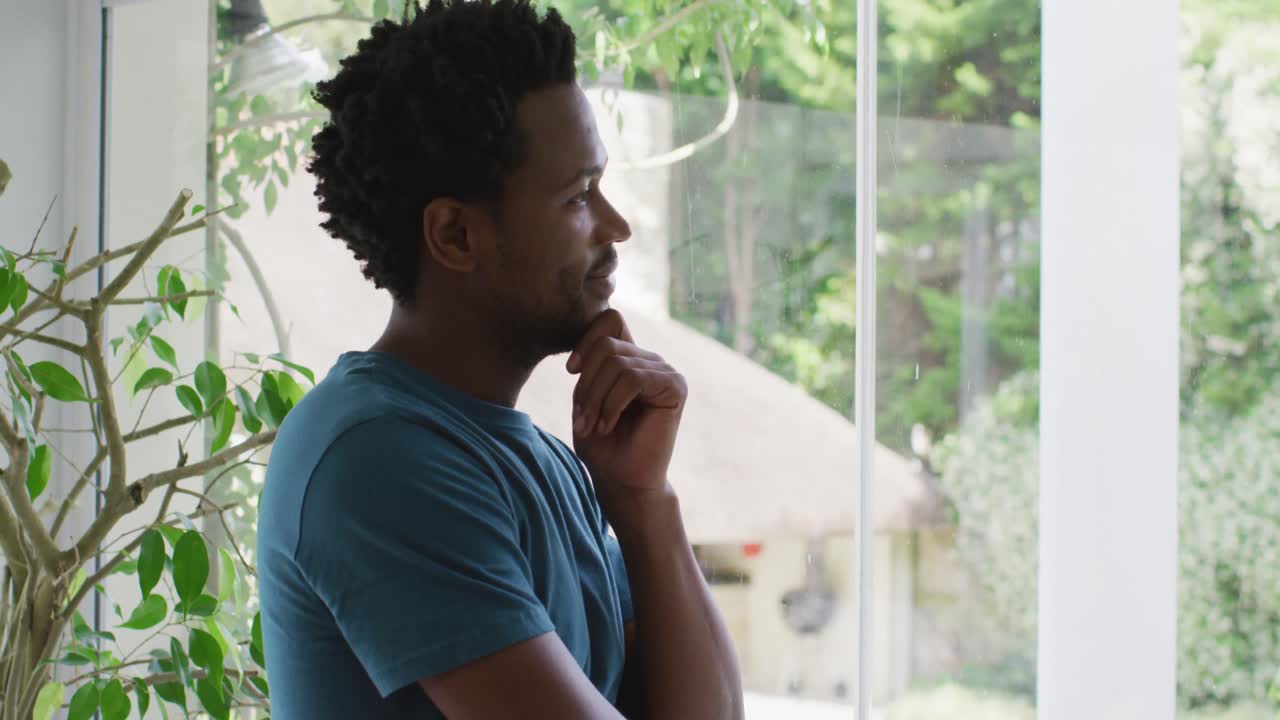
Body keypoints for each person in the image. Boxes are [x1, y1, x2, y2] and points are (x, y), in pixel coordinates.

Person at [255, 0, 743, 718]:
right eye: (578, 196)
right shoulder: (378, 458)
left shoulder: (546, 464)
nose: (616, 227)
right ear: (455, 235)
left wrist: (644, 504)